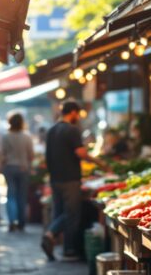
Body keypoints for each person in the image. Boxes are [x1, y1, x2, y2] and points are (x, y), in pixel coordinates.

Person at [42, 101, 108, 261]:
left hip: (55, 178)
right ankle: (66, 247)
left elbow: (47, 156)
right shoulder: (72, 130)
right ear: (72, 112)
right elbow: (81, 153)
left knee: (60, 212)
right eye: (77, 114)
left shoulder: (51, 130)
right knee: (72, 213)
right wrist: (100, 163)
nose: (77, 117)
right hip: (70, 178)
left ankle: (56, 241)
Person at [0, 112, 34, 232]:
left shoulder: (5, 136)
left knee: (11, 195)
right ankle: (21, 222)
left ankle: (11, 221)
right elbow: (31, 155)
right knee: (22, 196)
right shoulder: (27, 136)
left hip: (9, 167)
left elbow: (2, 154)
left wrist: (1, 167)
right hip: (23, 168)